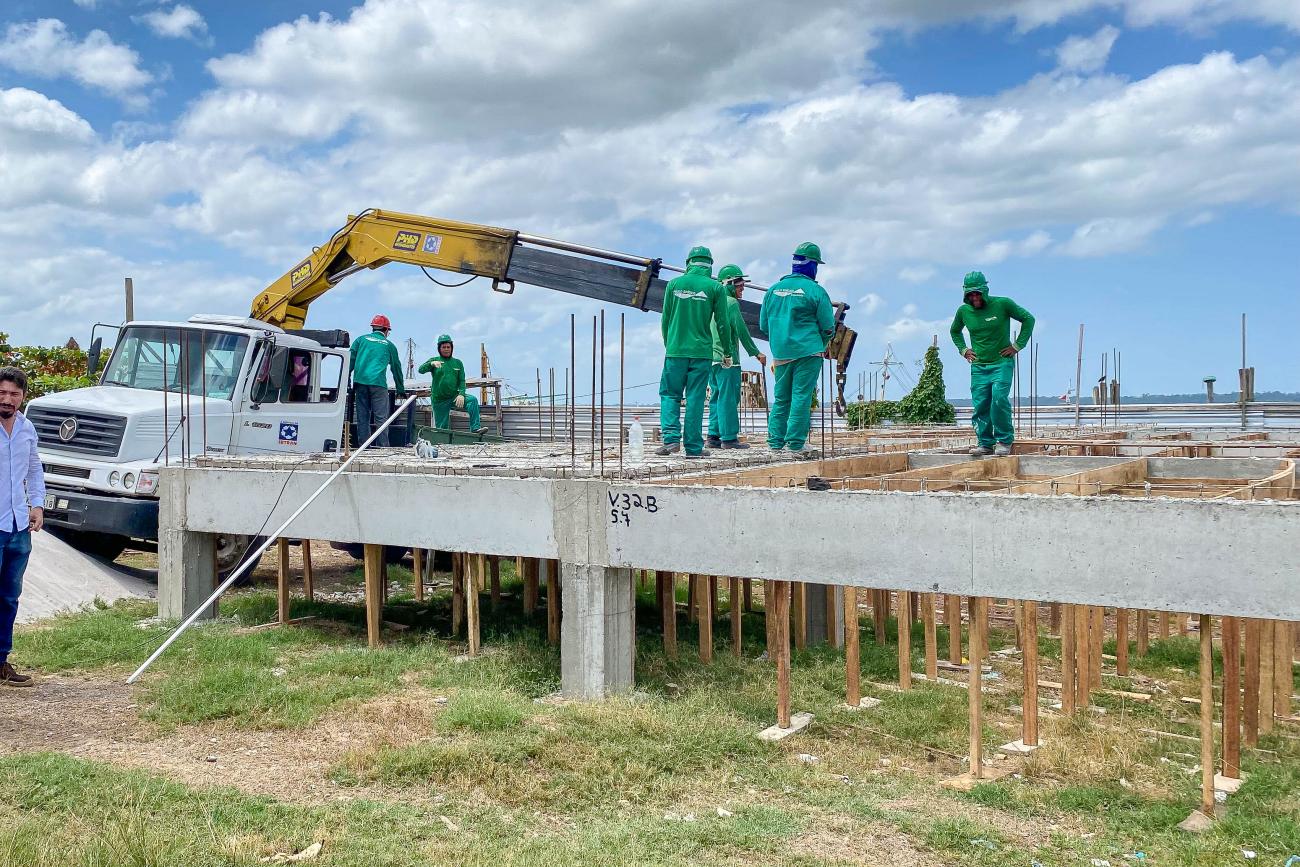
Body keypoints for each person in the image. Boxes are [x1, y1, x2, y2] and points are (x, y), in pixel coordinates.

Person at [759, 242, 835, 455]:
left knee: (781, 398)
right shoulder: (816, 291)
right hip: (809, 352)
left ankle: (775, 442)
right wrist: (821, 343)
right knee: (801, 396)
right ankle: (795, 443)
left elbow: (764, 325)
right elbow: (828, 327)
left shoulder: (772, 291)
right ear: (812, 265)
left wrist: (782, 338)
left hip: (781, 353)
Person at [656, 246, 732, 458]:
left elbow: (665, 320)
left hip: (675, 351)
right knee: (696, 398)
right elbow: (723, 323)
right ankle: (693, 448)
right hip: (702, 353)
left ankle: (671, 439)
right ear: (710, 265)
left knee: (670, 394)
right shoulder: (716, 288)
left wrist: (670, 345)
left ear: (688, 263)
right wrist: (727, 352)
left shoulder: (674, 284)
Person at [949, 270, 1035, 457]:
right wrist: (963, 350)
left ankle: (1004, 440)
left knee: (998, 398)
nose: (975, 297)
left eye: (977, 293)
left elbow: (1028, 319)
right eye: (970, 294)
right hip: (979, 366)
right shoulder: (963, 311)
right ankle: (985, 443)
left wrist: (1017, 346)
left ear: (985, 290)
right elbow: (955, 331)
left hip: (1001, 362)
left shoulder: (1003, 304)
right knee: (981, 404)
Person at [0, 367, 43, 687]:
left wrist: (37, 505)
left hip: (18, 527)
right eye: (2, 393)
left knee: (9, 597)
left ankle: (1, 662)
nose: (7, 399)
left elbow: (34, 469)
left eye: (14, 394)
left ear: (23, 397)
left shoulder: (27, 428)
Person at [707, 264, 766, 449]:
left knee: (716, 397)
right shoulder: (731, 303)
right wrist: (756, 352)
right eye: (739, 285)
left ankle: (713, 436)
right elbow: (741, 331)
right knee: (728, 398)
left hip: (710, 359)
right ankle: (729, 438)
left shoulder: (711, 302)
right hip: (728, 361)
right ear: (729, 284)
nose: (742, 289)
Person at [349, 314, 406, 446]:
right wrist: (400, 389)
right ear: (386, 330)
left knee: (362, 418)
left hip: (360, 383)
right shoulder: (389, 345)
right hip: (378, 384)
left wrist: (346, 381)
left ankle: (364, 447)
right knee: (381, 419)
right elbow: (396, 368)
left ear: (373, 328)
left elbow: (350, 361)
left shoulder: (360, 340)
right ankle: (383, 448)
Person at [419, 334, 484, 433]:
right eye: (443, 347)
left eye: (448, 347)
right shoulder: (434, 360)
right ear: (439, 348)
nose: (446, 349)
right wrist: (431, 364)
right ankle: (443, 440)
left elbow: (461, 381)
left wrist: (461, 394)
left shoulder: (458, 363)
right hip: (439, 400)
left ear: (451, 348)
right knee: (442, 430)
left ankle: (475, 429)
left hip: (454, 397)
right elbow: (421, 370)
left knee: (472, 400)